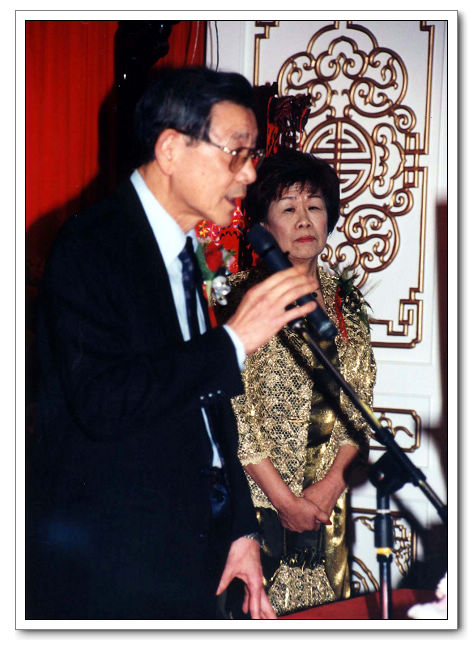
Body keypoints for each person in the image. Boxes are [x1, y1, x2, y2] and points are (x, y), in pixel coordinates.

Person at [25, 68, 322, 621]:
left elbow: (206, 407)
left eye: (252, 155)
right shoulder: (91, 246)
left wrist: (240, 530)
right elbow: (103, 401)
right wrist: (233, 340)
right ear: (169, 149)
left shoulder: (190, 252)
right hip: (111, 561)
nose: (249, 173)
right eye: (237, 153)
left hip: (190, 547)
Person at [217, 148, 377, 617]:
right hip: (256, 513)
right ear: (264, 226)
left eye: (315, 206)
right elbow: (235, 415)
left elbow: (360, 409)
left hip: (325, 516)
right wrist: (285, 501)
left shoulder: (345, 304)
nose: (305, 219)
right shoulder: (241, 299)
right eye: (288, 208)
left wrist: (329, 488)